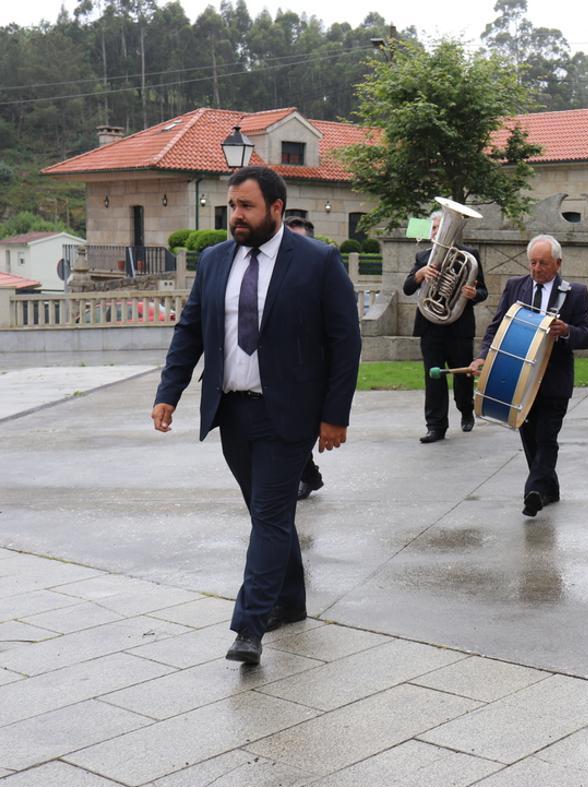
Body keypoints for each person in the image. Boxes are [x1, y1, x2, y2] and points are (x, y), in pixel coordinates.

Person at [151, 165, 361, 665]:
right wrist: (170, 390)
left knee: (268, 516)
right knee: (268, 515)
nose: (235, 216)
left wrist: (335, 415)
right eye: (231, 207)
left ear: (276, 209)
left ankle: (249, 627)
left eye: (245, 207)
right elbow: (191, 331)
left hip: (286, 415)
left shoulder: (317, 261)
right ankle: (290, 602)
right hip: (232, 412)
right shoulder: (214, 260)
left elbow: (344, 342)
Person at [470, 235, 588, 517]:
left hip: (555, 380)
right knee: (530, 439)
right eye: (533, 263)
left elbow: (587, 335)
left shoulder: (575, 292)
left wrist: (568, 332)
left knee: (547, 437)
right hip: (518, 380)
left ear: (558, 264)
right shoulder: (515, 286)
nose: (537, 269)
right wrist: (483, 356)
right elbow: (497, 326)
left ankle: (533, 491)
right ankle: (549, 489)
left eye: (544, 264)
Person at [403, 210, 488, 444]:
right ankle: (435, 426)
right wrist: (420, 275)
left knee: (462, 375)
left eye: (440, 228)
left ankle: (466, 410)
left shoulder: (469, 255)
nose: (436, 232)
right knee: (434, 378)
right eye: (433, 229)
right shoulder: (423, 257)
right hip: (430, 328)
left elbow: (483, 292)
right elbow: (408, 288)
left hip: (459, 327)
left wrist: (473, 293)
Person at [284, 216, 327, 500]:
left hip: (312, 369)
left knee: (298, 431)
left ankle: (306, 476)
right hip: (280, 367)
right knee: (287, 431)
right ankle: (309, 475)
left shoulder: (324, 271)